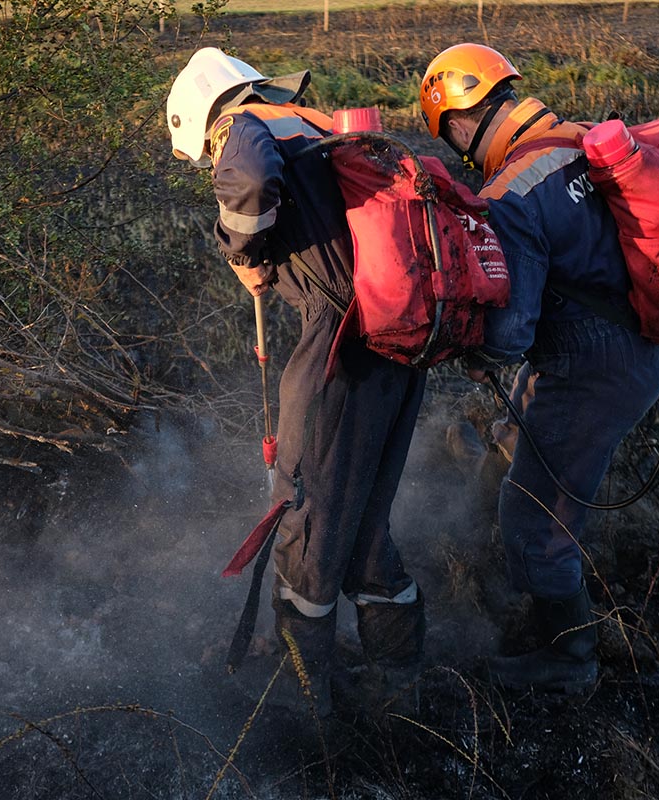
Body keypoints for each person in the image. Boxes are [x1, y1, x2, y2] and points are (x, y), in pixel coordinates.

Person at [167, 47, 427, 716]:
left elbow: (249, 182)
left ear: (203, 119)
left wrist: (243, 251)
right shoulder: (311, 122)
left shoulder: (246, 128)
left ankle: (305, 700)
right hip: (395, 342)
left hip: (339, 342)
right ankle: (397, 686)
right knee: (364, 527)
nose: (209, 162)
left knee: (306, 517)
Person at [418, 43, 659, 692]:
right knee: (514, 454)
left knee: (536, 517)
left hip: (592, 364)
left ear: (456, 121)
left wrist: (471, 349)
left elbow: (513, 333)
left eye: (448, 133)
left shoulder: (510, 191)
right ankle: (485, 546)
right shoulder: (578, 139)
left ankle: (569, 657)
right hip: (641, 338)